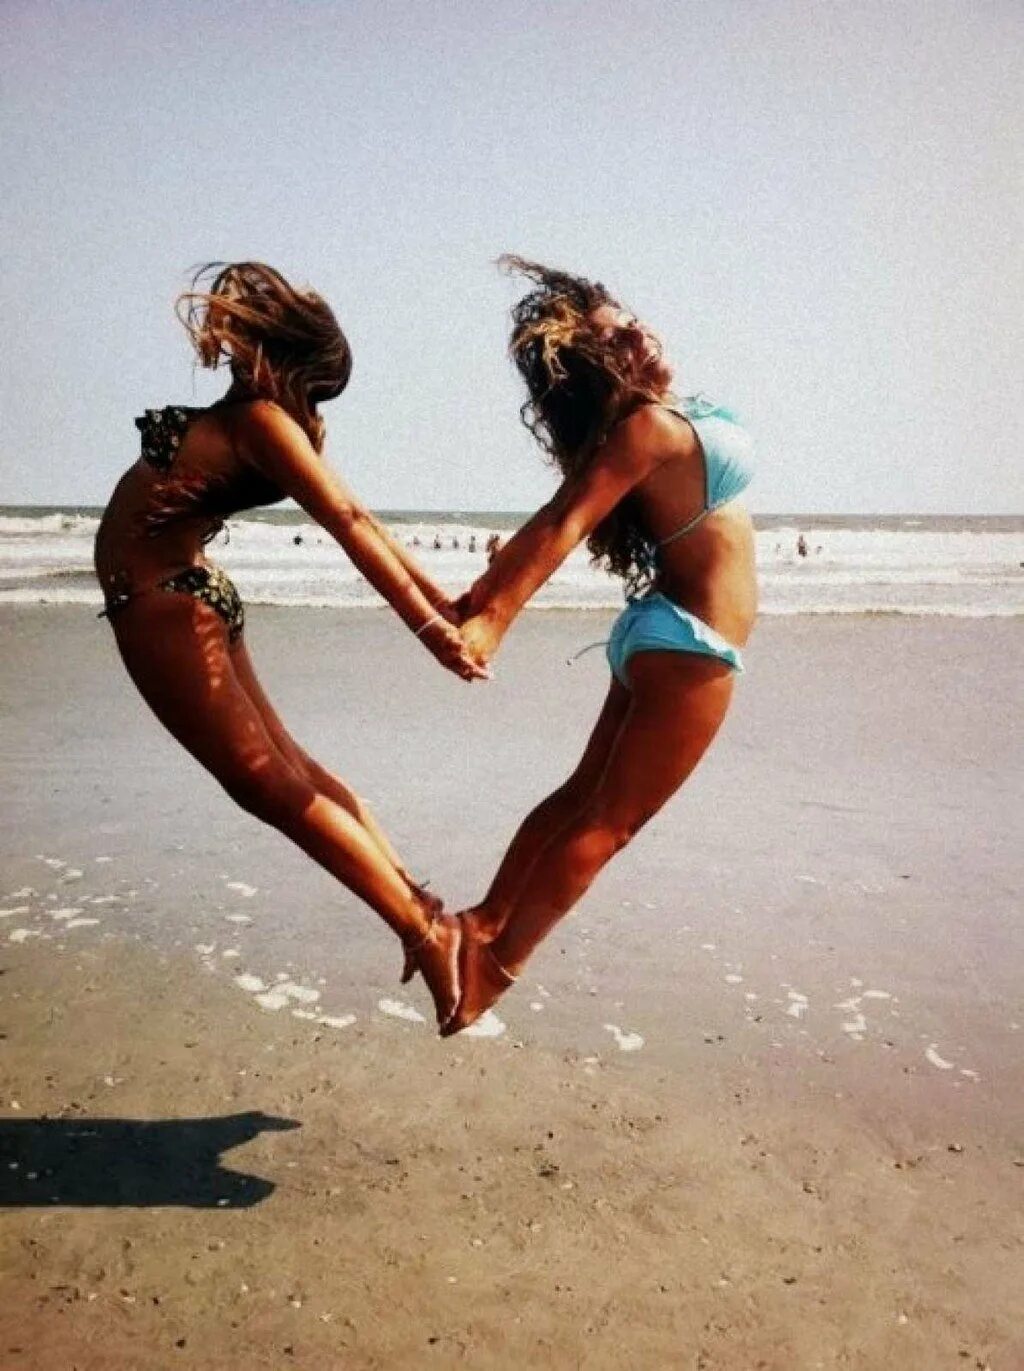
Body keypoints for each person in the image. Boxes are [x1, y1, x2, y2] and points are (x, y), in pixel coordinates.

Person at [94, 262, 488, 1023]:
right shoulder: (264, 423)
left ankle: (423, 929)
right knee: (289, 769)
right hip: (188, 593)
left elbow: (351, 523)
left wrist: (433, 625)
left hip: (164, 603)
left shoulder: (262, 422)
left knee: (267, 783)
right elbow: (361, 517)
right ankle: (419, 904)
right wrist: (439, 606)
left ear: (285, 360)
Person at [441, 256, 757, 1034]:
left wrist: (485, 594)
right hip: (692, 647)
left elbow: (558, 513)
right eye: (616, 344)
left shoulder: (653, 423)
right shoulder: (648, 428)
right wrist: (493, 617)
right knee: (609, 821)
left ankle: (481, 922)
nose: (639, 338)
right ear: (599, 377)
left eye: (630, 324)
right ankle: (490, 973)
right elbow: (564, 521)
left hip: (663, 634)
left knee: (581, 796)